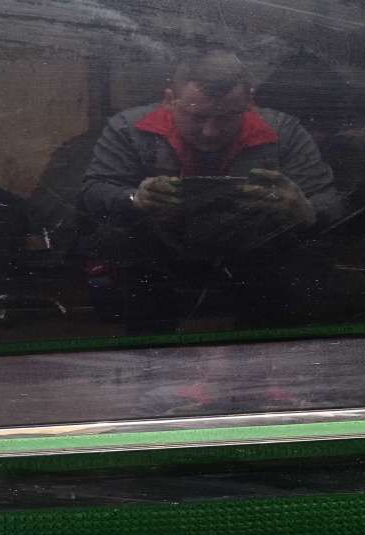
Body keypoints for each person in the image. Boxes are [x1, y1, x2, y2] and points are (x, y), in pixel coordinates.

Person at [76, 49, 349, 332]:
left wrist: (305, 209)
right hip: (156, 265)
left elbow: (330, 201)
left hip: (259, 266)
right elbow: (91, 192)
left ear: (249, 102)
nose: (211, 131)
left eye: (227, 117)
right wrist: (134, 199)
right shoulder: (128, 129)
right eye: (197, 116)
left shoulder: (285, 132)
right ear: (169, 100)